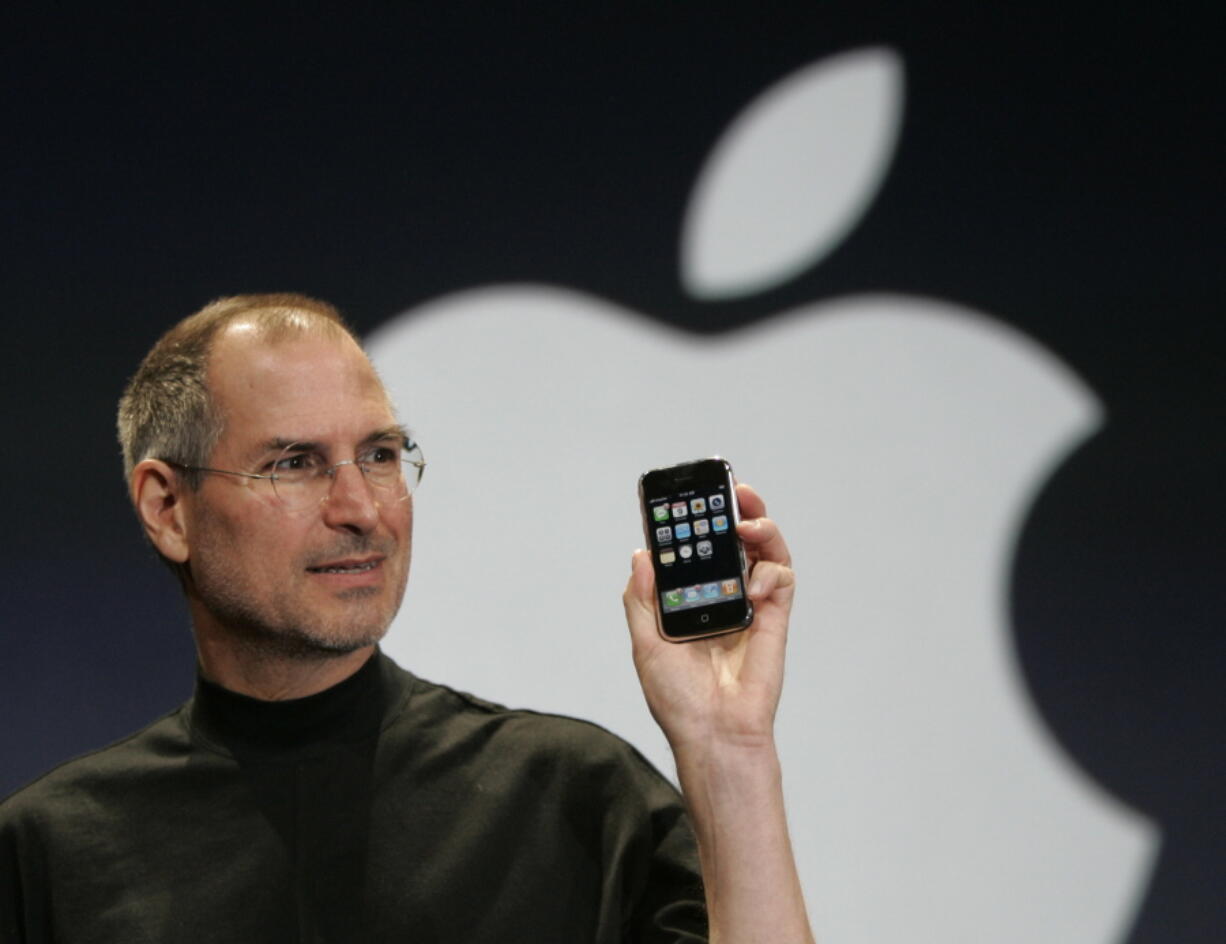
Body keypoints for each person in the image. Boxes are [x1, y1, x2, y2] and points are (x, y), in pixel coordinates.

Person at [0, 294, 812, 943]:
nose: (361, 509)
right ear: (168, 508)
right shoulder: (51, 855)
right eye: (294, 464)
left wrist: (727, 751)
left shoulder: (575, 801)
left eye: (381, 455)